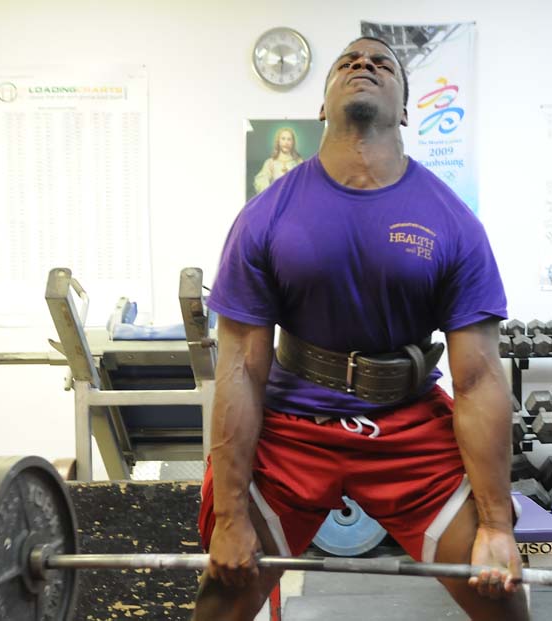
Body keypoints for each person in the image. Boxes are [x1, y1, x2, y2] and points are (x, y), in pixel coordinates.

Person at [192, 36, 528, 621]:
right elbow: (242, 370)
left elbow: (477, 380)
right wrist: (230, 519)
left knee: (497, 592)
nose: (364, 65)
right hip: (295, 426)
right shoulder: (265, 215)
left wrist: (498, 525)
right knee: (223, 593)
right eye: (347, 61)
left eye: (382, 63)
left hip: (407, 428)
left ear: (404, 109)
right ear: (321, 106)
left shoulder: (453, 222)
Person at [253, 127, 303, 194]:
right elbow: (261, 181)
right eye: (283, 139)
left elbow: (304, 183)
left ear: (293, 142)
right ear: (278, 141)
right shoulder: (270, 162)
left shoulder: (299, 162)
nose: (286, 142)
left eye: (289, 139)